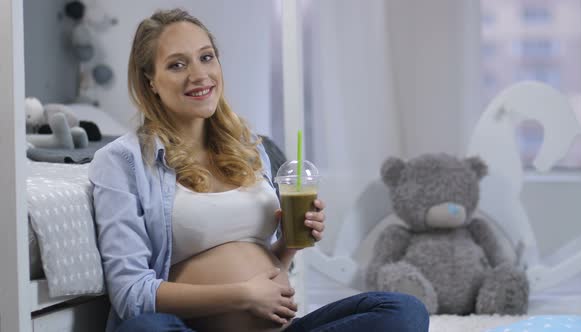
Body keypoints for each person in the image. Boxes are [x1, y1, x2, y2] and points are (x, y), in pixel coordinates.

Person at [89, 8, 429, 332]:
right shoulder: (123, 162)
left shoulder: (249, 145)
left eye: (206, 57)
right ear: (150, 80)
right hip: (187, 327)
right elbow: (132, 294)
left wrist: (292, 242)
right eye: (177, 65)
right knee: (144, 328)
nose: (199, 74)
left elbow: (268, 270)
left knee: (403, 312)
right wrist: (242, 294)